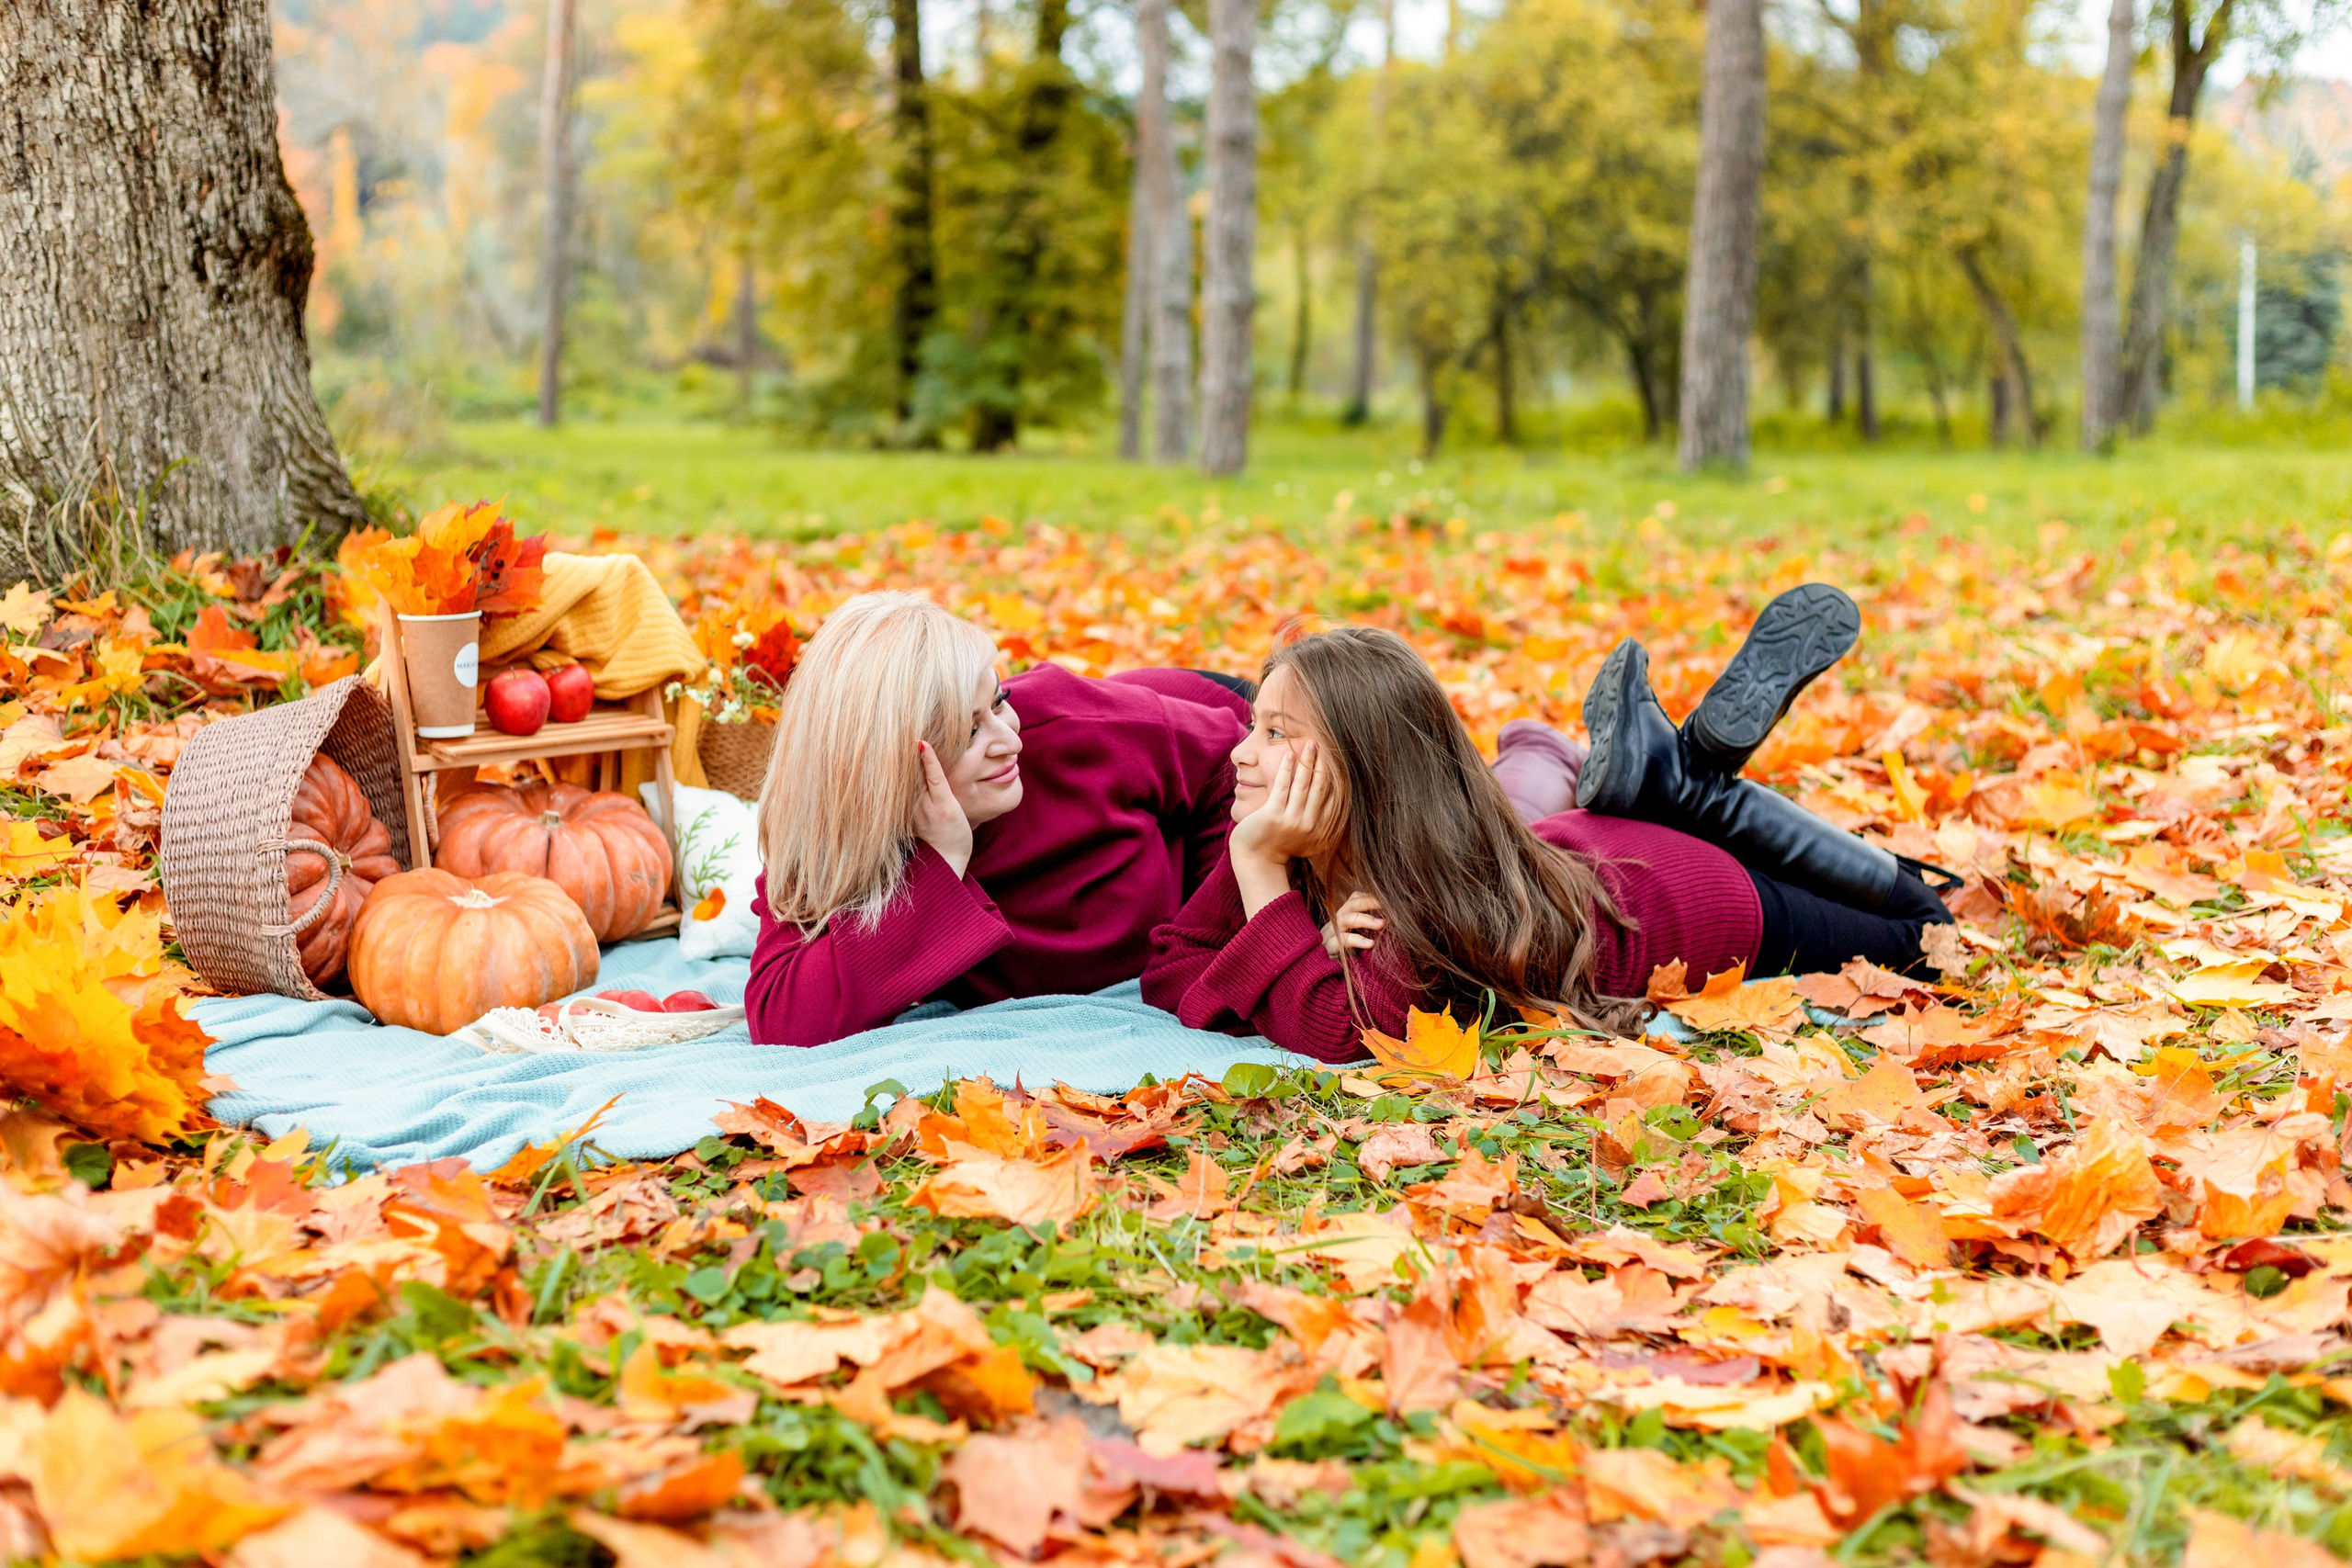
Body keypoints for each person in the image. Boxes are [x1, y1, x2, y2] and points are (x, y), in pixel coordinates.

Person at [1141, 588, 1955, 1064]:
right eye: (1254, 726)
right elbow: (1170, 968)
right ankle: (1658, 777)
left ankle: (1705, 798)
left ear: (1363, 768)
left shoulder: (1417, 904)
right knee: (1543, 805)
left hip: (1693, 896)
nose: (1243, 756)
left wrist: (1260, 884)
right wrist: (1302, 944)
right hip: (1579, 846)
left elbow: (1338, 1033)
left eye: (1277, 736)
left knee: (1926, 929)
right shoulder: (1309, 844)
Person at [744, 592, 1250, 1046]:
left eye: (998, 701)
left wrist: (1205, 936)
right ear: (886, 767)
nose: (1010, 740)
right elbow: (784, 1019)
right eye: (968, 734)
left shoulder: (1060, 724)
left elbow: (1236, 764)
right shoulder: (833, 836)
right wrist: (942, 860)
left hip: (1222, 726)